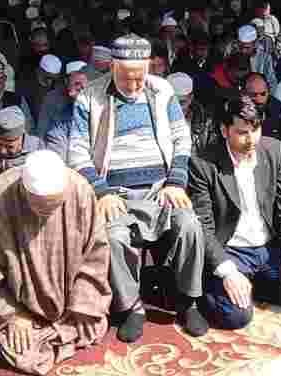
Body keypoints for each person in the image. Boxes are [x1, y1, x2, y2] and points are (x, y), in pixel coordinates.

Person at [67, 34, 203, 343]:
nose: (133, 85)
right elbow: (76, 152)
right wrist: (102, 192)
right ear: (112, 67)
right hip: (116, 193)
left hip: (161, 188)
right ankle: (132, 307)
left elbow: (182, 138)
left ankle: (188, 300)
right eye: (126, 78)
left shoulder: (162, 89)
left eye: (140, 77)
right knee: (113, 236)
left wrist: (176, 181)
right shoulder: (90, 97)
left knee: (189, 225)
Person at [0, 151, 111, 376]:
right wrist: (12, 315)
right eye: (41, 206)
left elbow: (95, 255)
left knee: (91, 324)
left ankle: (65, 323)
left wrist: (85, 305)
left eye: (55, 205)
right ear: (24, 191)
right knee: (22, 350)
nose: (48, 214)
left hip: (70, 305)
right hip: (20, 307)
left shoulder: (80, 190)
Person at [188, 96, 281, 329]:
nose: (251, 140)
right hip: (230, 250)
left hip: (268, 249)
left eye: (255, 130)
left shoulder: (274, 150)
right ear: (224, 130)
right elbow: (204, 228)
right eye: (242, 132)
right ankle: (217, 288)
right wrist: (227, 272)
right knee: (237, 317)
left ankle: (255, 284)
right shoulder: (203, 163)